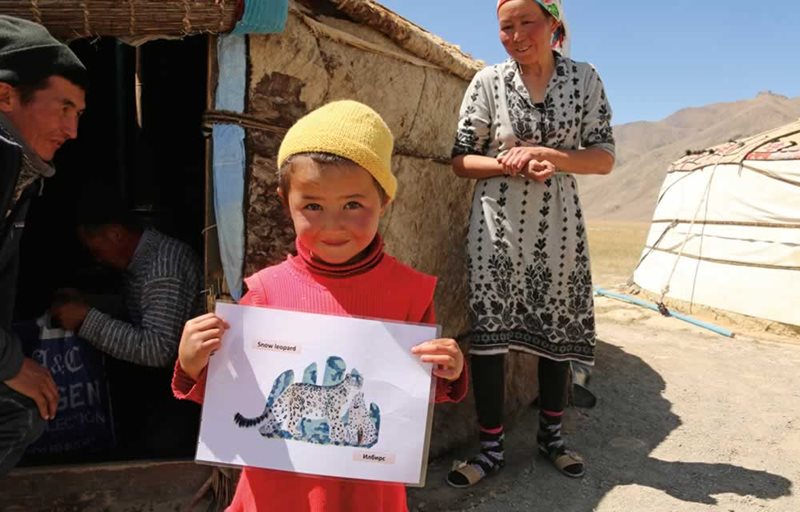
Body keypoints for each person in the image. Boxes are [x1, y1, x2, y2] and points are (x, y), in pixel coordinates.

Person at [174, 100, 468, 511]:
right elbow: (239, 400)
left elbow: (412, 397)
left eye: (353, 205)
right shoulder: (263, 292)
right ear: (285, 202)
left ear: (384, 201)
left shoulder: (410, 293)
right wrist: (192, 365)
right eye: (312, 205)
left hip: (366, 496)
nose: (332, 225)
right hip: (278, 492)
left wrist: (448, 371)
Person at [446, 0, 614, 487]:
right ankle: (491, 448)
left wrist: (548, 155)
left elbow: (602, 157)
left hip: (559, 225)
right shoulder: (488, 83)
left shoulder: (585, 79)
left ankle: (553, 438)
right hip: (496, 224)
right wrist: (510, 163)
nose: (516, 35)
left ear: (553, 25)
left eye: (527, 23)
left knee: (557, 333)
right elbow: (460, 160)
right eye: (506, 27)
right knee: (491, 337)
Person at [0, 15, 87, 475]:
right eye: (63, 108)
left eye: (79, 115)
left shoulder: (21, 170)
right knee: (18, 410)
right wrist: (9, 362)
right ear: (5, 96)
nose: (72, 131)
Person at [49, 204, 204, 456]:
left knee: (155, 452)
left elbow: (158, 350)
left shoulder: (162, 269)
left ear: (115, 234)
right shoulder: (144, 260)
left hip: (179, 392)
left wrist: (86, 320)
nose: (96, 259)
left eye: (96, 250)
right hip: (168, 385)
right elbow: (144, 308)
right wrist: (88, 303)